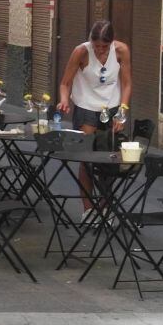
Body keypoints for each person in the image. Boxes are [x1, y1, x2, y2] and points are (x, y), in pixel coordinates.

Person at [57, 20, 132, 219]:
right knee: (86, 159)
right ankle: (88, 209)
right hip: (86, 107)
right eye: (96, 46)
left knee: (109, 158)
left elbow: (127, 84)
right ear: (90, 41)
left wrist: (122, 111)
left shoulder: (121, 51)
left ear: (111, 42)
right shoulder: (81, 52)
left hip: (112, 107)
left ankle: (104, 207)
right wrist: (64, 100)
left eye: (104, 47)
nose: (100, 50)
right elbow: (65, 83)